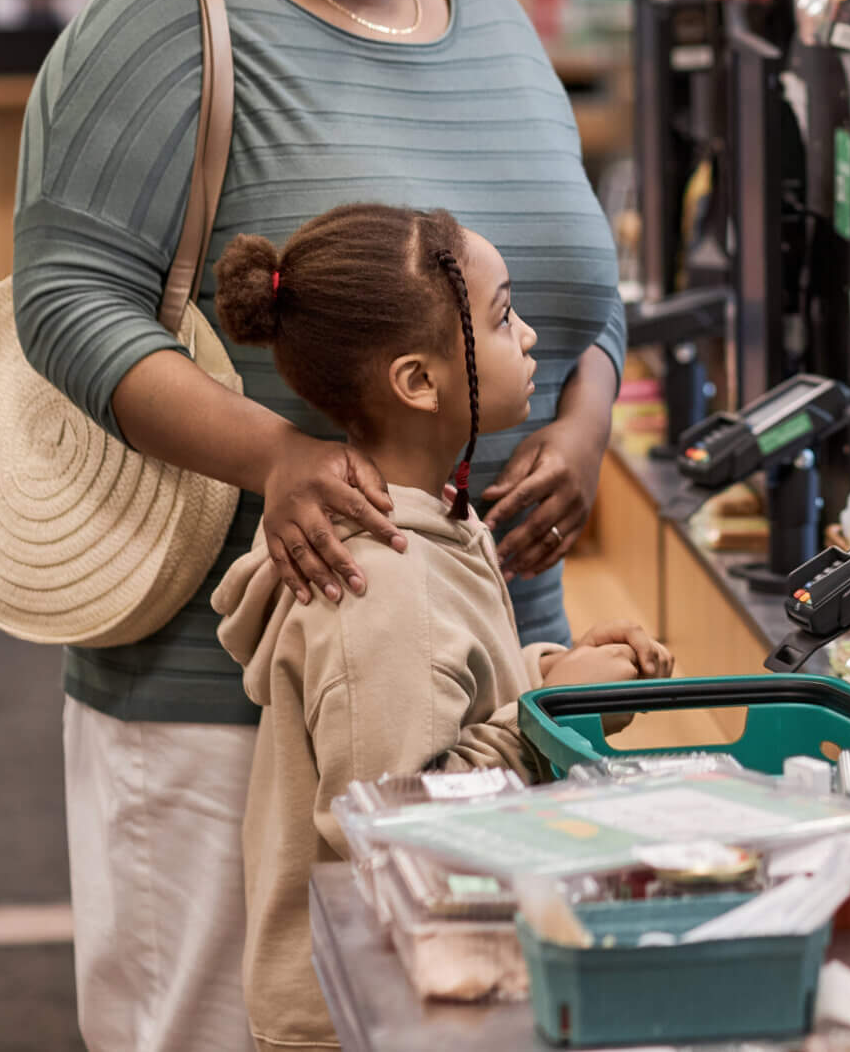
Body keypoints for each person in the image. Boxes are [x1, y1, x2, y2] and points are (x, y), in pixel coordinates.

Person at [12, 0, 628, 1052]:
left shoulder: (488, 13)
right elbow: (63, 297)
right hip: (219, 696)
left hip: (483, 665)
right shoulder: (175, 10)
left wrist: (587, 419)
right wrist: (271, 458)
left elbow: (587, 288)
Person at [209, 205, 672, 1051]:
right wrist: (552, 717)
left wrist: (556, 669)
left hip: (425, 985)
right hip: (373, 1015)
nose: (529, 337)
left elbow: (451, 695)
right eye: (502, 318)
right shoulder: (382, 584)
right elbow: (403, 823)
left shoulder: (433, 526)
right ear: (419, 382)